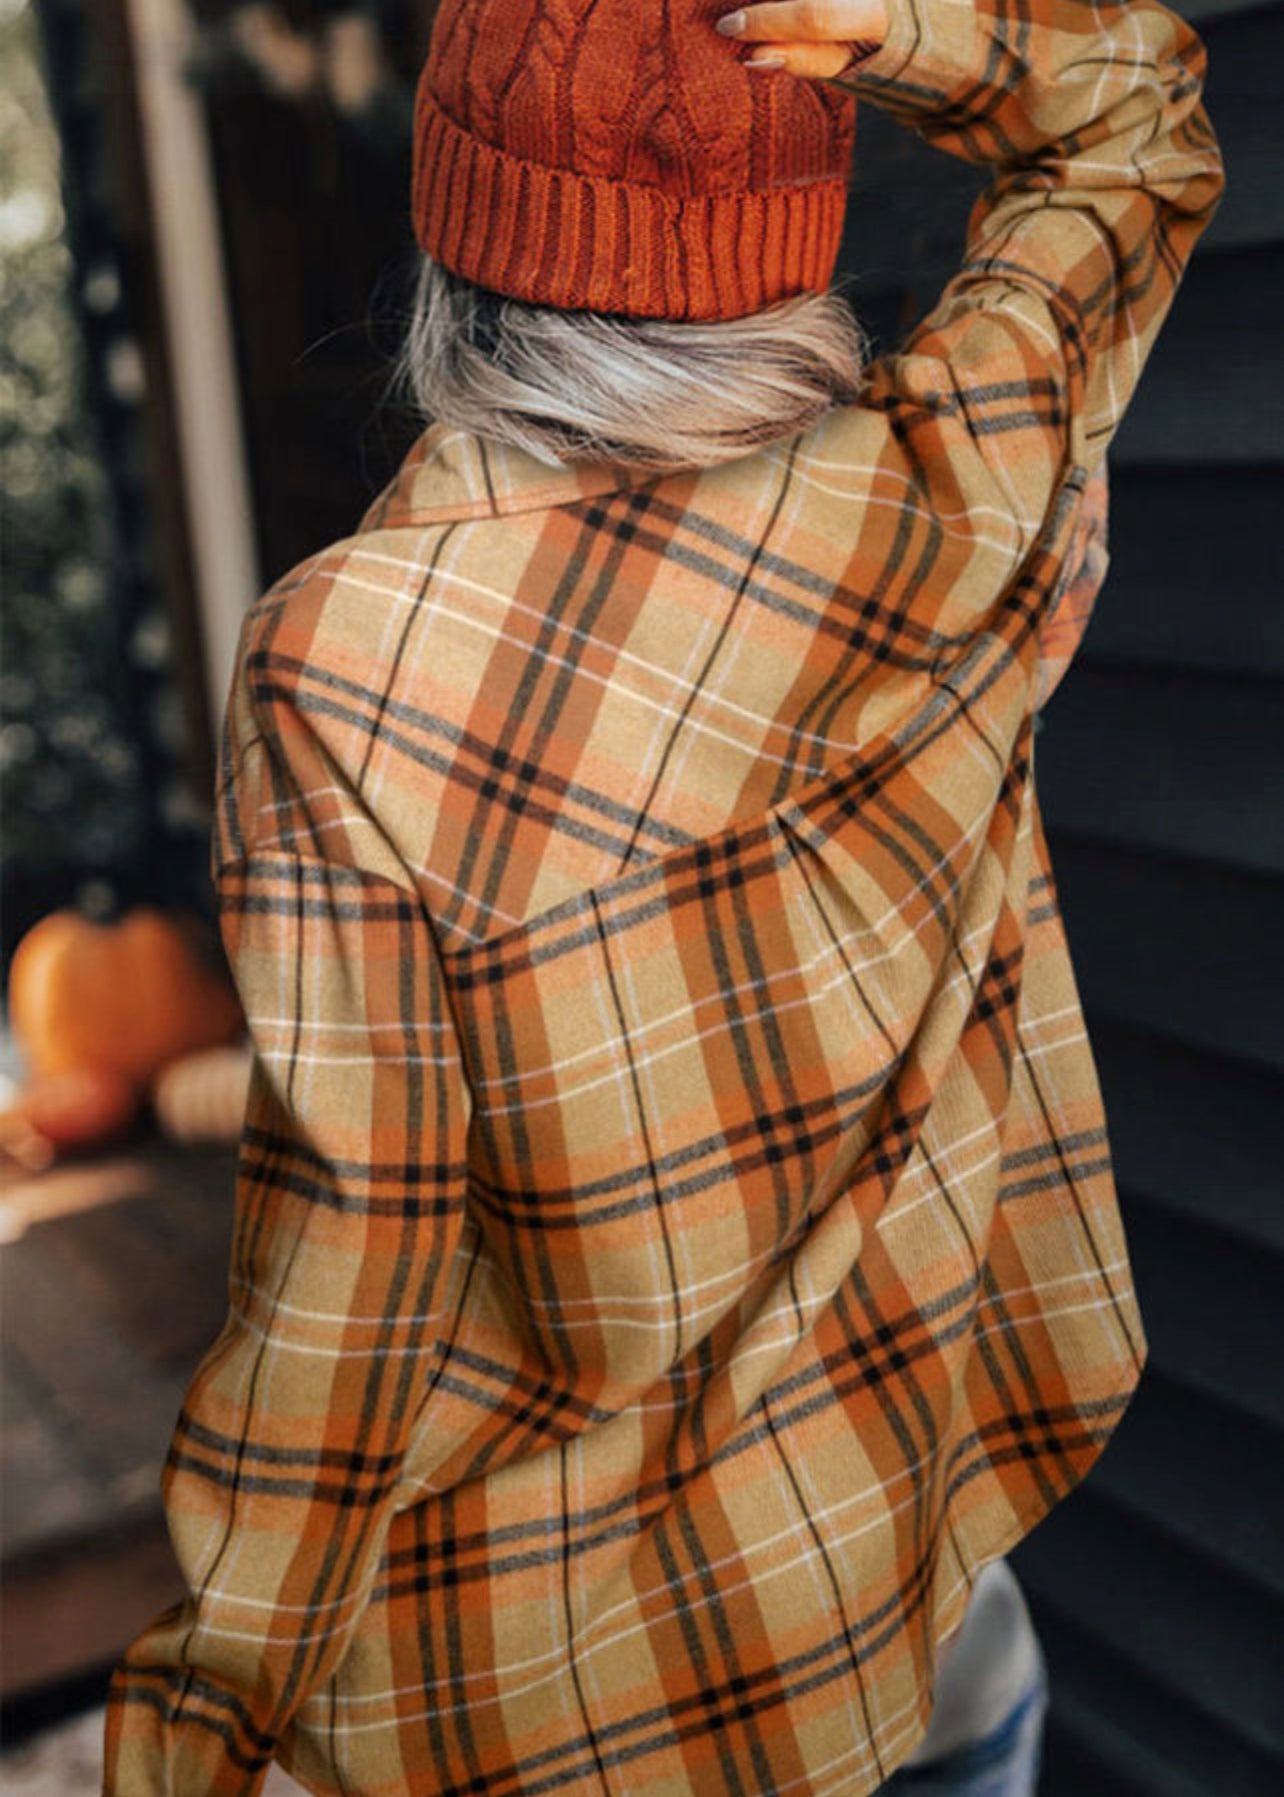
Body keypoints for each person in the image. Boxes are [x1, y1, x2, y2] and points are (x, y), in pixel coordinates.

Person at [102, 0, 1223, 1793]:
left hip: (596, 1704)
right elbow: (1137, 118)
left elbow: (352, 1281)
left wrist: (204, 1728)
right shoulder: (972, 468)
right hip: (928, 1590)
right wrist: (924, 32)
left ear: (459, 250)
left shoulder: (355, 666)